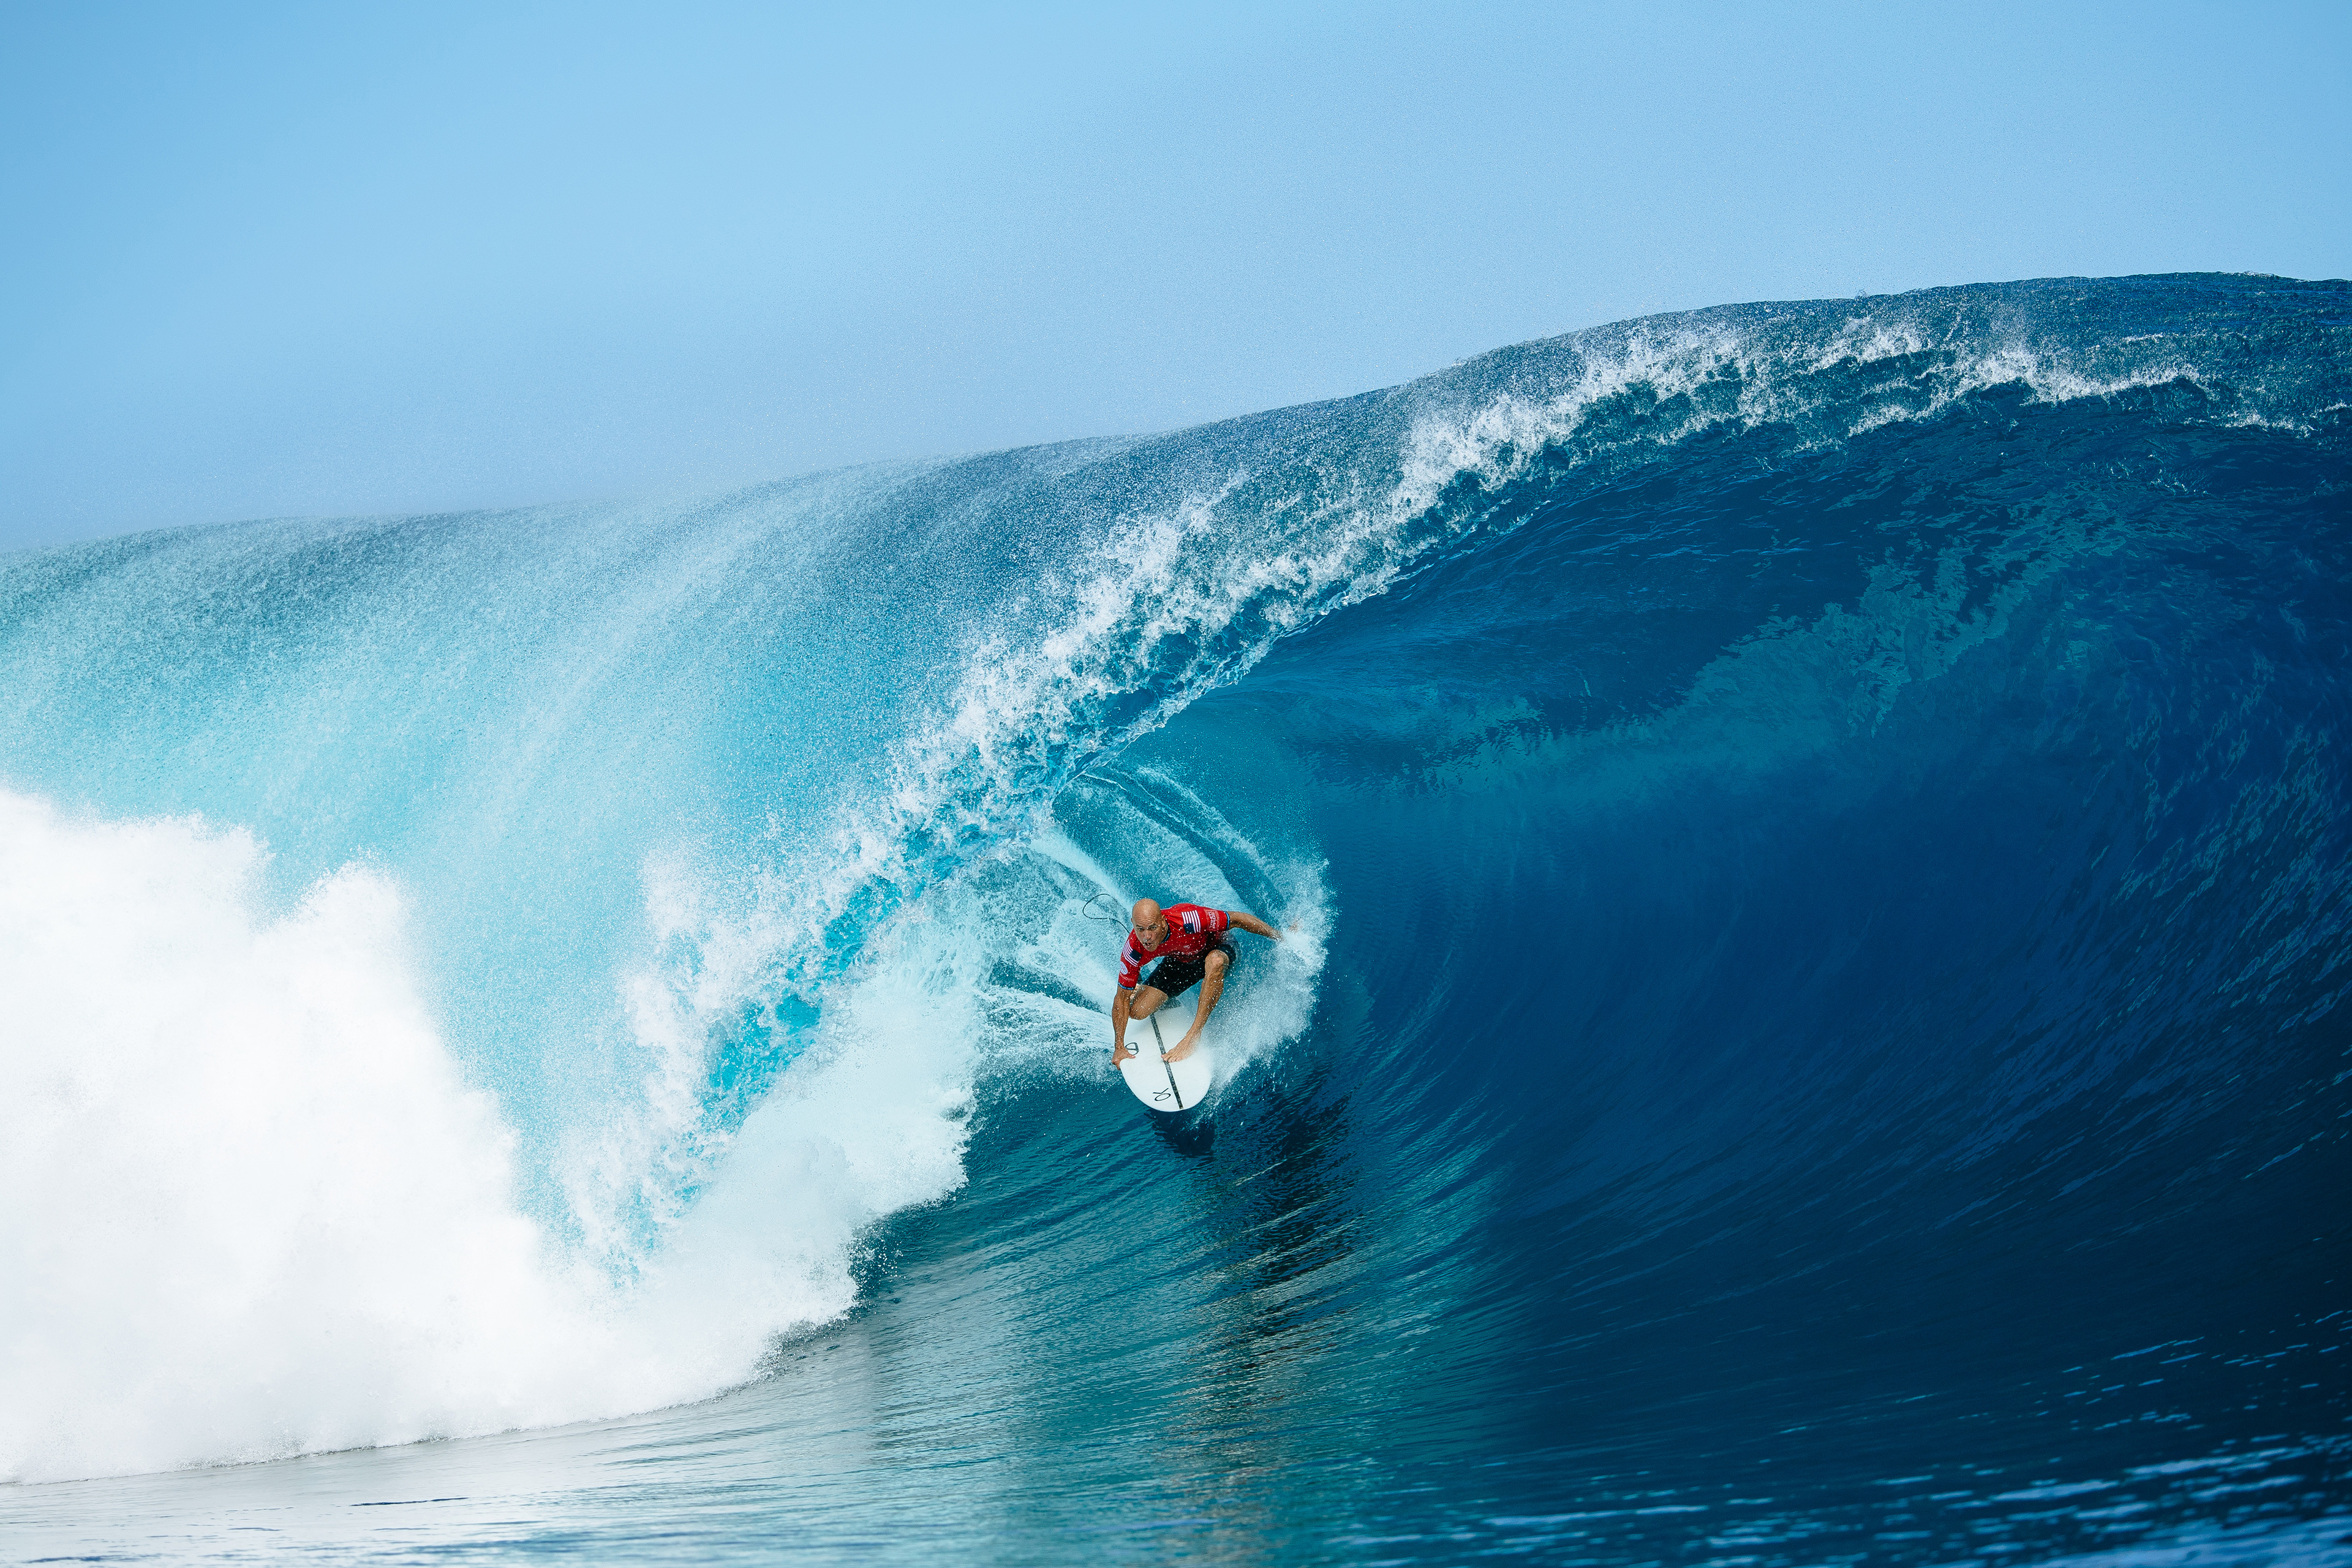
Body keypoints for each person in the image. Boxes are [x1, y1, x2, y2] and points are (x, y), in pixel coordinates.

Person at [1110, 899, 1282, 1067]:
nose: (1147, 937)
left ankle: (1193, 1035)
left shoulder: (1189, 920)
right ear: (1133, 924)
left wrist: (1281, 938)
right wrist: (1119, 1047)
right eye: (1140, 929)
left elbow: (1237, 919)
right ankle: (1143, 991)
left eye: (1152, 928)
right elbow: (1120, 999)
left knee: (1215, 962)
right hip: (1183, 960)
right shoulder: (1133, 950)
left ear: (1162, 921)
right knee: (1137, 1011)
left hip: (1218, 949)